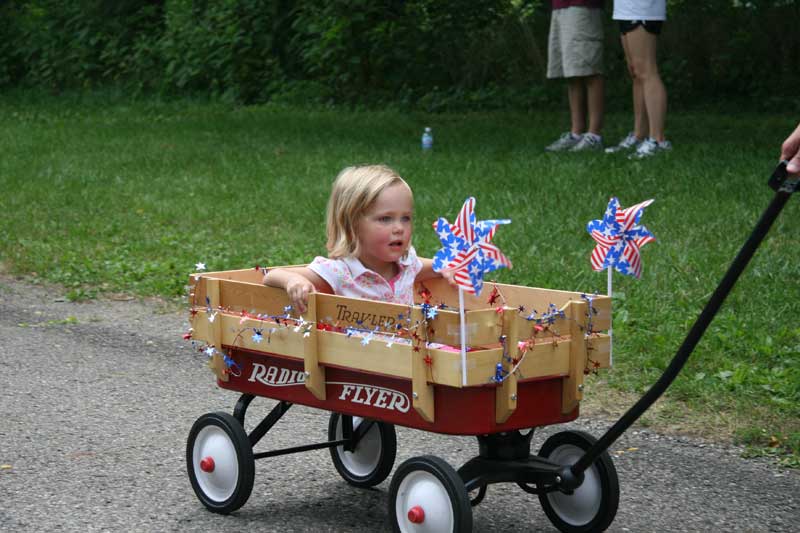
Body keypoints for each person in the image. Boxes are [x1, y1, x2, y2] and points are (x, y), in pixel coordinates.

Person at [263, 164, 449, 314]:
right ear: (353, 224)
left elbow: (434, 266)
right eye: (385, 219)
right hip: (357, 357)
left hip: (408, 354)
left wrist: (448, 267)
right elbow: (271, 275)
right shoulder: (341, 272)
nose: (399, 228)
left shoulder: (407, 266)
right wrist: (293, 281)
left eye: (405, 218)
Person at [606, 0, 671, 158]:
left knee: (647, 71)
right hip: (625, 8)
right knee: (636, 73)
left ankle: (658, 140)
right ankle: (639, 135)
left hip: (642, 8)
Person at [544, 0, 606, 152]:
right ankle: (576, 133)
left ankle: (594, 135)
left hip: (582, 6)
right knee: (572, 72)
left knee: (591, 70)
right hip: (560, 6)